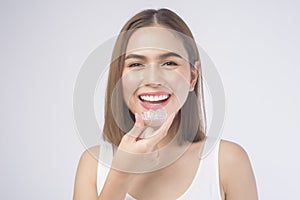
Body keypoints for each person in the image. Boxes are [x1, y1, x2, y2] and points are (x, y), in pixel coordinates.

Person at [73, 8, 258, 200]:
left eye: (169, 63)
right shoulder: (93, 165)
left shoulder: (228, 162)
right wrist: (121, 174)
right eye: (136, 64)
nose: (153, 79)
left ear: (193, 77)